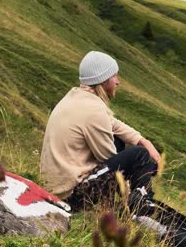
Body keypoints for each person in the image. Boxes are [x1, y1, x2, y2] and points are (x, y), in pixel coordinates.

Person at [40, 50, 161, 212]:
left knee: (119, 140)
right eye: (114, 76)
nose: (118, 82)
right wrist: (133, 181)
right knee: (139, 155)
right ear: (103, 81)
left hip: (56, 188)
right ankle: (140, 206)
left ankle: (132, 200)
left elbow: (112, 124)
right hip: (71, 198)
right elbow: (110, 159)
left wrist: (143, 141)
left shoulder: (76, 97)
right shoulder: (93, 110)